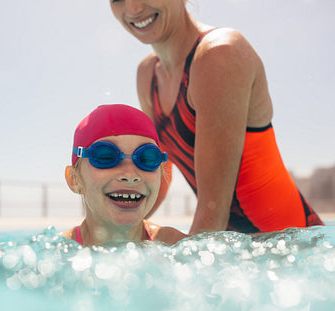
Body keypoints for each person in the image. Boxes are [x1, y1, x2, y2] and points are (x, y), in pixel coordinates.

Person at [108, 0, 324, 234]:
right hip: (240, 251)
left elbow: (213, 212)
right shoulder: (147, 74)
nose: (133, 9)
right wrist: (110, 233)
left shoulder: (220, 54)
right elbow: (158, 177)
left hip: (294, 248)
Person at [61, 104, 186, 246]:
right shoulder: (57, 254)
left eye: (147, 158)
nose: (130, 174)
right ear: (74, 180)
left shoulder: (176, 247)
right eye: (106, 157)